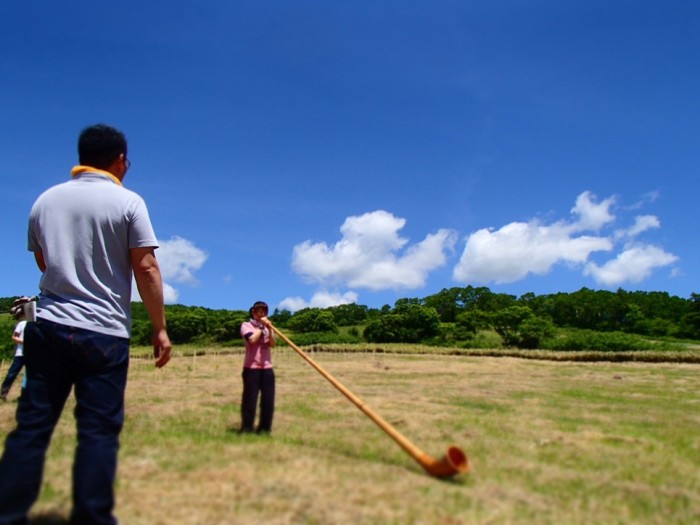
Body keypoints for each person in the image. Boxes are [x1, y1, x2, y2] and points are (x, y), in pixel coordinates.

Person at [0, 124, 172, 525]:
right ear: (121, 160)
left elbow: (43, 261)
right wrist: (159, 327)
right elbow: (145, 266)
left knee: (33, 427)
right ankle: (93, 518)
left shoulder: (46, 200)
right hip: (105, 332)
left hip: (51, 324)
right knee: (97, 432)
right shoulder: (129, 202)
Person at [239, 301, 276, 434]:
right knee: (250, 399)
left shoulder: (267, 327)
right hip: (251, 368)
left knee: (268, 400)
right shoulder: (246, 325)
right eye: (258, 311)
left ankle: (265, 429)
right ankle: (247, 428)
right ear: (253, 312)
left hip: (267, 368)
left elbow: (272, 344)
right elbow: (252, 340)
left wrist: (270, 329)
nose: (261, 313)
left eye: (264, 311)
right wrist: (261, 327)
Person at [0, 303, 28, 401]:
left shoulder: (35, 325)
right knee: (12, 373)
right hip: (20, 353)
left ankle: (25, 396)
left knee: (28, 377)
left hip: (32, 354)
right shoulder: (22, 324)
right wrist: (24, 342)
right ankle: (3, 392)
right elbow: (14, 337)